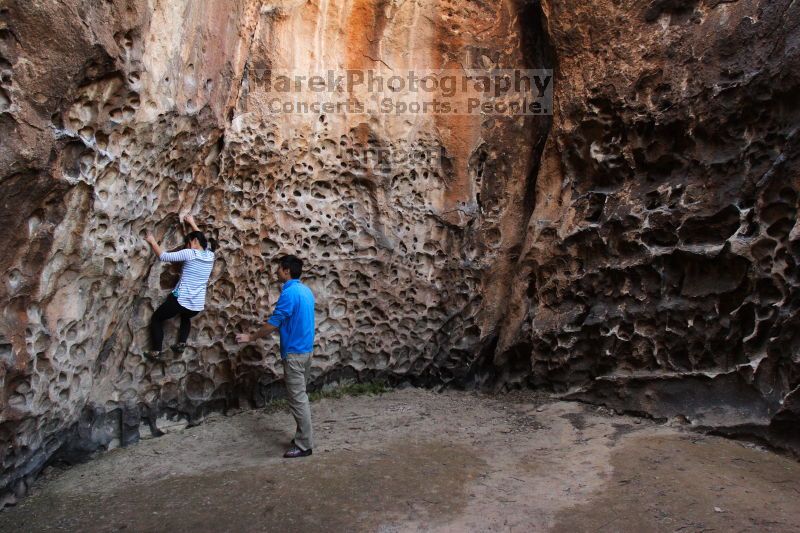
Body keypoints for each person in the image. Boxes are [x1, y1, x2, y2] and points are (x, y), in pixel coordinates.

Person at [236, 255, 316, 458]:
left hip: (295, 353)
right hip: (306, 351)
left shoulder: (289, 294)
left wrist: (251, 337)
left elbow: (274, 323)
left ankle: (304, 445)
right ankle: (301, 437)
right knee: (301, 396)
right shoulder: (306, 291)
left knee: (298, 399)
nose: (276, 271)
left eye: (279, 268)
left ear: (287, 270)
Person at [144, 215, 215, 362]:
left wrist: (151, 241)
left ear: (194, 242)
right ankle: (182, 343)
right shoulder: (210, 255)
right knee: (186, 316)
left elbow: (163, 256)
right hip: (196, 304)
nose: (187, 246)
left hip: (180, 299)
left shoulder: (190, 253)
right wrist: (192, 223)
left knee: (157, 318)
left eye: (188, 243)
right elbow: (203, 240)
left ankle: (156, 351)